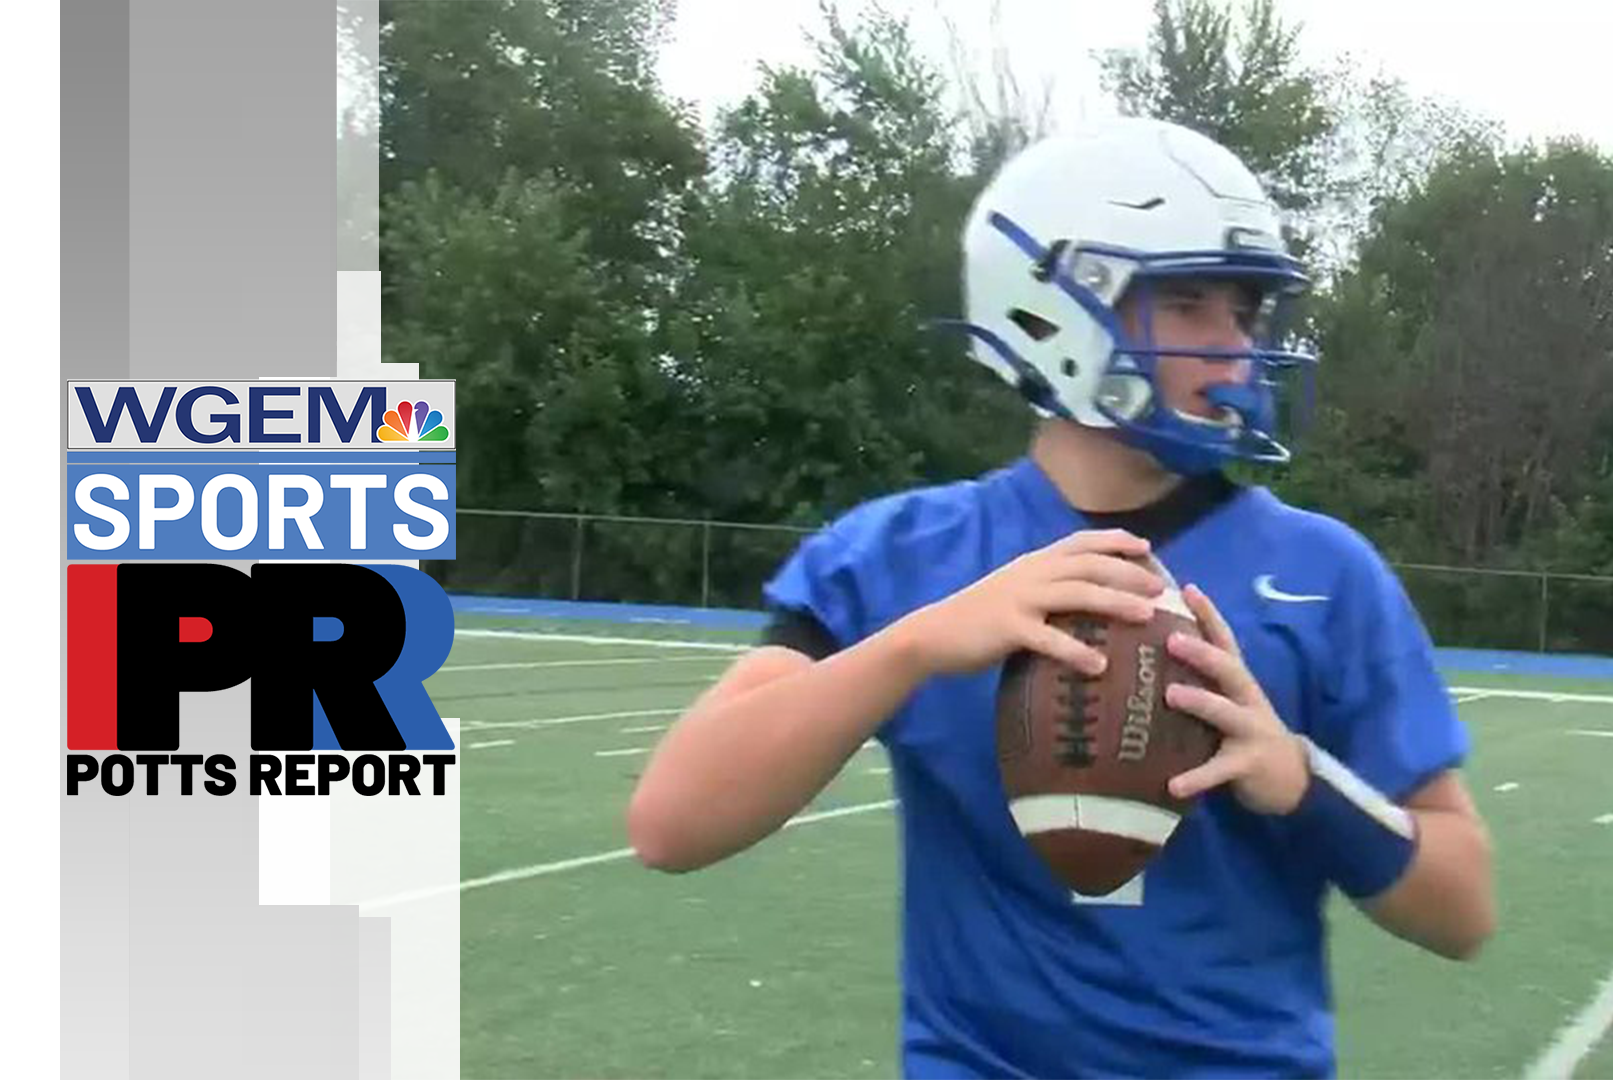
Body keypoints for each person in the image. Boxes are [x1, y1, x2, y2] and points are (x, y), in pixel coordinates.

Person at [627, 117, 1495, 1079]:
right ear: (1052, 304)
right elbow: (672, 824)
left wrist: (1302, 781)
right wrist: (913, 647)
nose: (1237, 351)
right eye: (1191, 303)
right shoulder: (901, 556)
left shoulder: (1326, 572)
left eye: (1246, 314)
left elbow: (1464, 912)